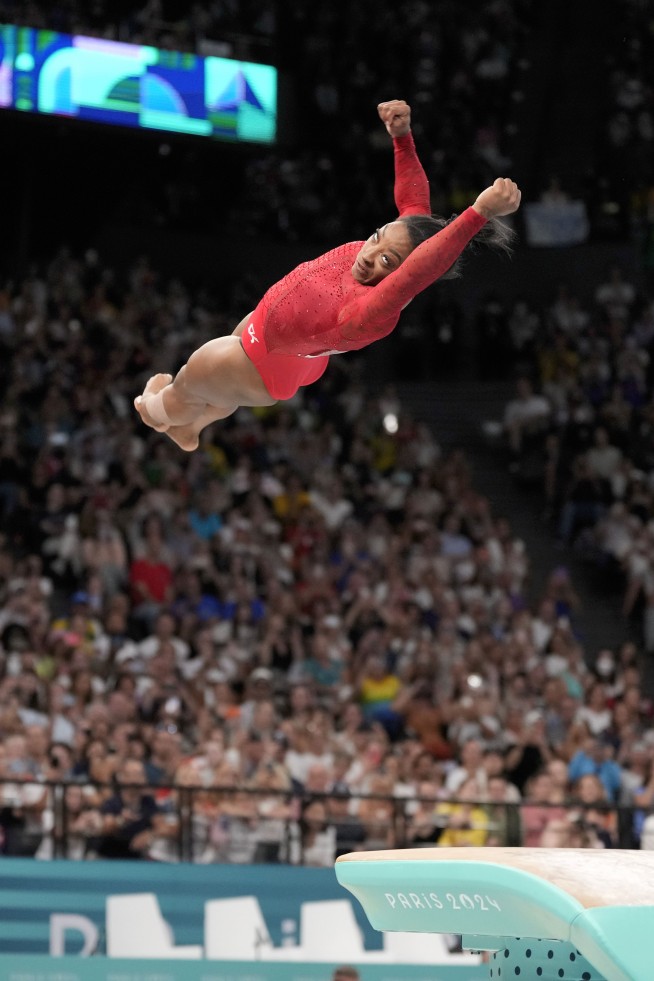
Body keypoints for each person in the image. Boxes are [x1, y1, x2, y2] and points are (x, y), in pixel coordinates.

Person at [135, 100, 521, 451]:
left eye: (387, 262)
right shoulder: (399, 241)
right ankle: (194, 426)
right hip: (288, 348)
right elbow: (413, 201)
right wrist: (402, 139)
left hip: (270, 354)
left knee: (186, 383)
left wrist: (477, 214)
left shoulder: (370, 311)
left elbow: (420, 270)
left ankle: (155, 412)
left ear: (401, 276)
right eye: (376, 237)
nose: (370, 255)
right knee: (222, 388)